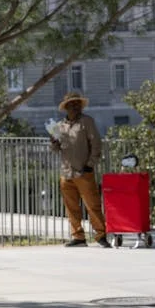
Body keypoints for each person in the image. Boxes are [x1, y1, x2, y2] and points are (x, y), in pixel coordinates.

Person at [50, 92, 109, 248]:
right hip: (66, 172)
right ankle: (78, 236)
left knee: (92, 204)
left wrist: (90, 164)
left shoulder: (87, 122)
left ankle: (101, 235)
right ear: (66, 108)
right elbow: (55, 149)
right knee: (71, 207)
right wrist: (54, 143)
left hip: (83, 171)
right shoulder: (59, 126)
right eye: (71, 105)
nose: (75, 107)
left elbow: (96, 144)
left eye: (77, 104)